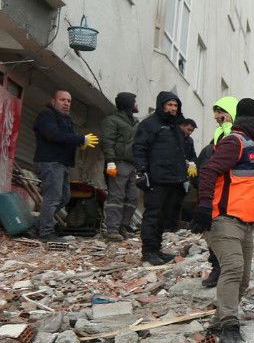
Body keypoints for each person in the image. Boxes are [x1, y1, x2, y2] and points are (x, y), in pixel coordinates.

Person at [191, 97, 254, 343]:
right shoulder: (234, 142)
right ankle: (229, 328)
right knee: (232, 269)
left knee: (243, 279)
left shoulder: (250, 148)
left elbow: (242, 181)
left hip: (245, 223)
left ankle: (216, 325)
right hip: (223, 220)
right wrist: (203, 206)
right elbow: (209, 170)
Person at [132, 91, 195, 266]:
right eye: (169, 105)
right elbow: (139, 148)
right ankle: (148, 251)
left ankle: (156, 249)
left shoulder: (176, 127)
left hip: (174, 179)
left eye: (175, 105)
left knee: (164, 216)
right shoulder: (150, 124)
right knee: (153, 215)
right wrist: (142, 171)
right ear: (162, 105)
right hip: (156, 178)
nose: (173, 108)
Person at [33, 89, 97, 244]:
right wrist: (80, 140)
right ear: (53, 100)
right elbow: (53, 135)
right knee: (53, 197)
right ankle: (46, 233)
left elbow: (67, 138)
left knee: (64, 197)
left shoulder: (66, 119)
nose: (66, 103)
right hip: (50, 162)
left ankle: (39, 226)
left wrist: (78, 144)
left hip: (61, 163)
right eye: (62, 100)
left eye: (69, 101)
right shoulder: (46, 115)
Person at [198, 97, 237, 288]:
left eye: (222, 112)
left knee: (225, 234)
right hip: (217, 193)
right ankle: (218, 267)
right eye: (216, 112)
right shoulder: (219, 136)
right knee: (213, 232)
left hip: (231, 196)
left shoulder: (234, 137)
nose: (218, 116)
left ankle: (224, 270)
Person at [99, 92, 139, 241]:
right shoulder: (111, 121)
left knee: (132, 198)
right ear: (128, 103)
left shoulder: (134, 123)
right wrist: (110, 161)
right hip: (118, 163)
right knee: (116, 197)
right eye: (134, 101)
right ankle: (112, 230)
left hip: (133, 164)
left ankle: (123, 226)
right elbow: (107, 141)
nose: (137, 104)